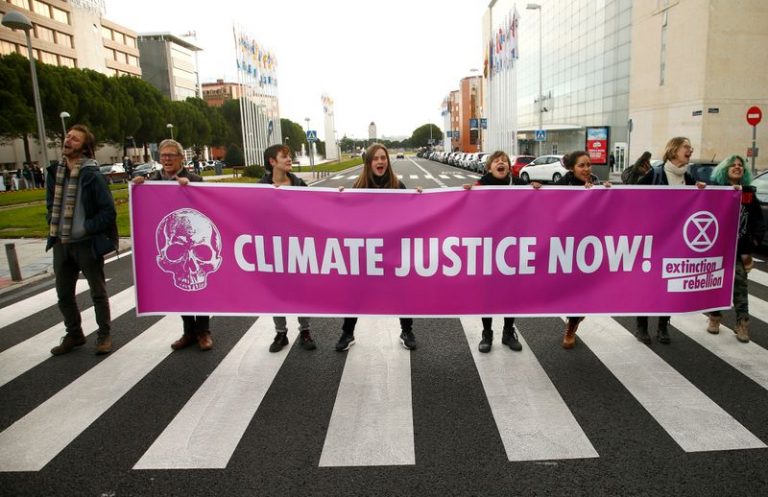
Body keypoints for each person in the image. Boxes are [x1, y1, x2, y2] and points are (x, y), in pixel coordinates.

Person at [133, 139, 214, 351]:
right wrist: (138, 188)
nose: (167, 158)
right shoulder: (151, 182)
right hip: (172, 245)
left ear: (180, 158)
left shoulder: (195, 179)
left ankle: (203, 331)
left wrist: (192, 190)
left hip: (194, 241)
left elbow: (209, 207)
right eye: (163, 155)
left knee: (199, 286)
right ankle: (189, 331)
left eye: (171, 155)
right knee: (179, 286)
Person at [335, 143, 417, 351]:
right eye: (376, 158)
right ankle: (347, 332)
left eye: (383, 158)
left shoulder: (398, 186)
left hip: (393, 249)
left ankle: (407, 330)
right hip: (366, 251)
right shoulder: (358, 188)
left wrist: (419, 199)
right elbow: (347, 219)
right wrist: (340, 199)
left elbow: (412, 216)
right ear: (369, 163)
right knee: (355, 292)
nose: (380, 161)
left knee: (401, 291)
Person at [46, 124, 117, 355]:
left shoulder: (92, 176)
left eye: (75, 140)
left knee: (97, 292)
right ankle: (74, 334)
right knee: (64, 294)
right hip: (61, 243)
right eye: (67, 137)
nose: (68, 141)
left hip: (86, 244)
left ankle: (104, 335)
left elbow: (108, 211)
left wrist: (86, 227)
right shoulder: (54, 173)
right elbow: (50, 204)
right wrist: (53, 223)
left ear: (85, 148)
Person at [462, 150, 538, 353]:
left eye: (504, 160)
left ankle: (507, 331)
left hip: (512, 246)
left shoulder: (519, 184)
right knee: (488, 292)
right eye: (496, 160)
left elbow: (539, 201)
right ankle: (487, 333)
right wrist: (465, 194)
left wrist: (538, 189)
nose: (501, 163)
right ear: (489, 167)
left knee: (510, 291)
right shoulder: (481, 185)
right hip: (488, 247)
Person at [636, 136, 706, 344]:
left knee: (669, 284)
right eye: (686, 147)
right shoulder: (654, 174)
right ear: (674, 150)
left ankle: (663, 325)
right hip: (653, 240)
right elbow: (632, 195)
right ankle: (641, 326)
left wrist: (703, 192)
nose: (690, 150)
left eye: (691, 147)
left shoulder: (690, 179)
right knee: (648, 283)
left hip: (676, 242)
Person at [258, 144, 317, 352]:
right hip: (272, 248)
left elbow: (317, 208)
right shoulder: (260, 187)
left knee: (301, 291)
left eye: (290, 156)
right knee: (276, 292)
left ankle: (305, 331)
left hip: (298, 246)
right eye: (284, 156)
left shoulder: (299, 184)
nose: (289, 159)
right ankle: (281, 333)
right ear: (272, 161)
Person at [553, 151, 610, 349]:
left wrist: (606, 192)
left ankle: (571, 326)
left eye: (589, 165)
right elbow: (546, 205)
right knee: (565, 286)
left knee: (580, 288)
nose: (587, 169)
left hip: (589, 245)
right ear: (572, 168)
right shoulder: (561, 185)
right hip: (565, 245)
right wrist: (537, 189)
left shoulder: (597, 184)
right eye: (581, 165)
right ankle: (575, 313)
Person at [706, 155, 764, 342]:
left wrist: (753, 244)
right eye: (733, 165)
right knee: (717, 284)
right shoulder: (715, 191)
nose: (738, 167)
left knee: (740, 285)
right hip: (718, 248)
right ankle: (714, 317)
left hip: (740, 249)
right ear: (725, 169)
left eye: (741, 165)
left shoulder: (747, 193)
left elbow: (757, 220)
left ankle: (742, 323)